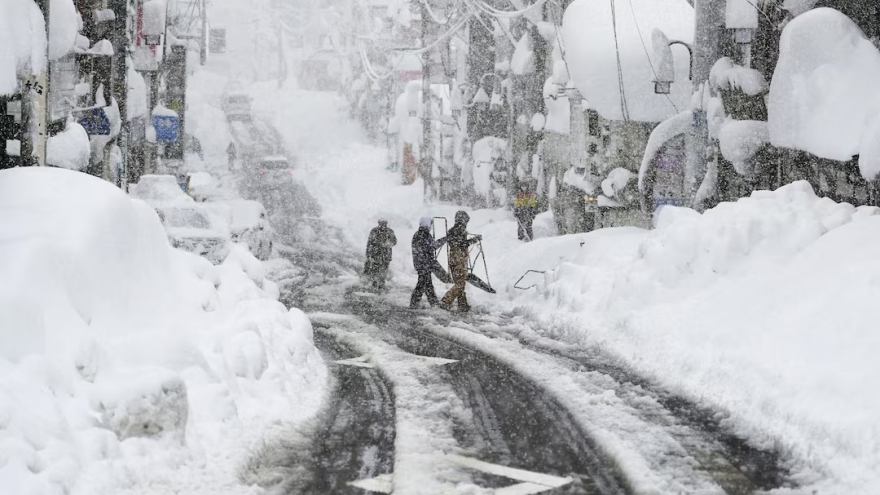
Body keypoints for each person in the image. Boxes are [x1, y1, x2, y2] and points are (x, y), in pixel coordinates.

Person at [440, 211, 481, 313]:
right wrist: (475, 240)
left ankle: (463, 305)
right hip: (459, 258)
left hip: (452, 258)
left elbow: (455, 242)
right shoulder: (460, 230)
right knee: (460, 283)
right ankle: (445, 301)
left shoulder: (451, 231)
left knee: (459, 282)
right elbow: (462, 244)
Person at [410, 217, 446, 308]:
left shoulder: (422, 234)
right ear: (427, 225)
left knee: (426, 284)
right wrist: (444, 239)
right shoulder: (422, 235)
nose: (430, 227)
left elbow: (431, 246)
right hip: (423, 264)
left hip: (423, 263)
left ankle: (432, 303)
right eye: (430, 225)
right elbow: (432, 246)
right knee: (423, 284)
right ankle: (415, 304)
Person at [364, 219, 397, 291]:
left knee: (383, 272)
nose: (383, 224)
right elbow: (369, 243)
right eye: (382, 222)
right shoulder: (374, 231)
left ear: (387, 223)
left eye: (384, 222)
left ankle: (381, 286)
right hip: (376, 255)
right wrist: (368, 254)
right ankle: (374, 285)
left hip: (386, 256)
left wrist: (388, 243)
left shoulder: (390, 231)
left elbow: (394, 241)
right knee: (375, 271)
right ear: (378, 222)